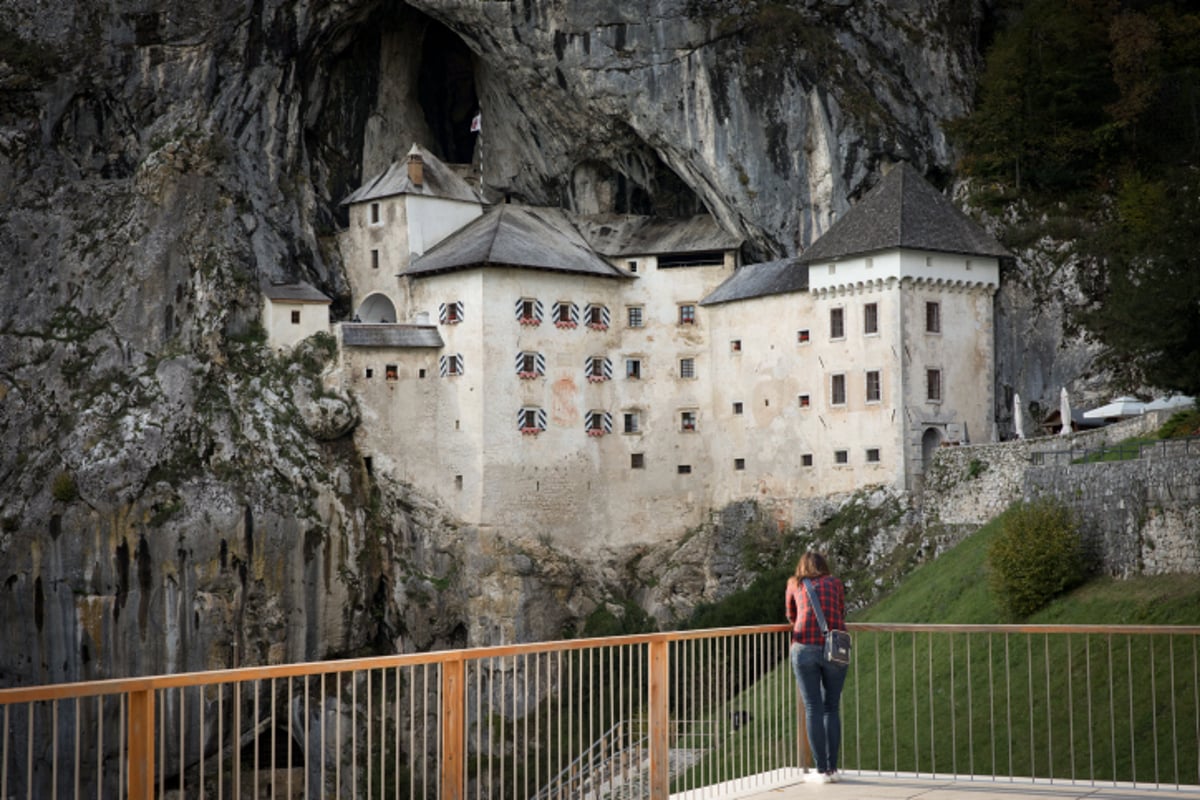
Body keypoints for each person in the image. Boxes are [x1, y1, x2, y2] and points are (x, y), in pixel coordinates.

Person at [786, 551, 848, 783]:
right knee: (831, 707)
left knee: (813, 708)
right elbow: (840, 611)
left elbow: (791, 615)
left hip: (804, 647)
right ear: (825, 566)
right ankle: (833, 769)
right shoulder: (835, 583)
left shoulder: (794, 584)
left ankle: (821, 771)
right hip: (835, 648)